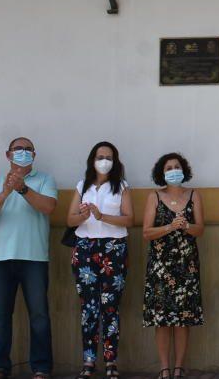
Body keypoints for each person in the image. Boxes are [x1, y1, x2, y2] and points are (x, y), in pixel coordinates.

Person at [0, 137, 58, 379]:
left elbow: (49, 207)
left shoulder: (45, 180)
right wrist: (5, 192)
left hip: (34, 258)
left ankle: (42, 367)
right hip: (0, 259)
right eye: (18, 149)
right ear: (7, 154)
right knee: (0, 316)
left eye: (28, 149)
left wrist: (22, 188)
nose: (23, 152)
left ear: (34, 154)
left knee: (40, 315)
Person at [66, 142, 134, 379]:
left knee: (111, 307)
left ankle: (111, 361)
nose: (104, 160)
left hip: (114, 249)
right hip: (85, 248)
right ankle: (88, 361)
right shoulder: (82, 185)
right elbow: (70, 219)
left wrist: (102, 216)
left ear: (115, 161)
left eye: (109, 157)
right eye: (100, 156)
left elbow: (129, 219)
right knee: (89, 307)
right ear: (92, 159)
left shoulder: (122, 186)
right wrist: (83, 215)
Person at [143, 153, 205, 379]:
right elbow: (146, 233)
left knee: (183, 318)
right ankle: (164, 369)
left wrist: (186, 225)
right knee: (162, 319)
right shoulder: (154, 197)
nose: (173, 170)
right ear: (162, 172)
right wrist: (169, 227)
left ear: (184, 170)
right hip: (160, 266)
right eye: (168, 167)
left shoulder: (194, 195)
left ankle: (179, 367)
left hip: (186, 264)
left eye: (177, 166)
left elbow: (200, 229)